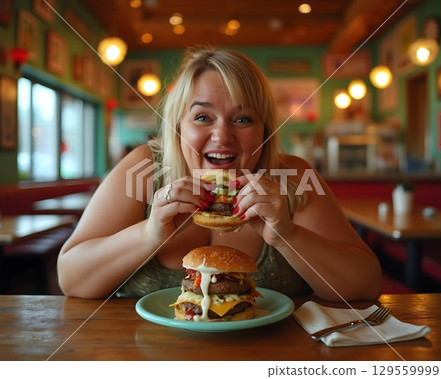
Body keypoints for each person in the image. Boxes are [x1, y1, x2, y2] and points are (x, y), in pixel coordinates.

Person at [58, 47, 382, 301]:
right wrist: (149, 234)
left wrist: (288, 236)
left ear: (264, 131)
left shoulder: (293, 176)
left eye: (242, 119)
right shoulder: (144, 168)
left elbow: (365, 285)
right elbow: (71, 280)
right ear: (177, 126)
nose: (222, 136)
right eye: (202, 117)